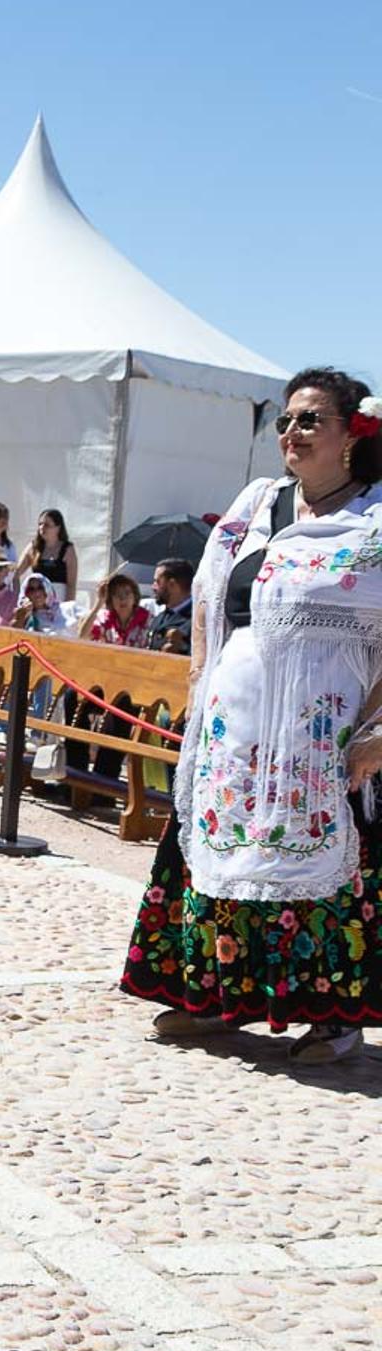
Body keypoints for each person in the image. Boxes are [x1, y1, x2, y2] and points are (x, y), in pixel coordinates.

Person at [122, 367, 382, 1065]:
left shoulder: (376, 521)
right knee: (221, 854)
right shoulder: (256, 504)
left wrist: (378, 732)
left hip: (324, 734)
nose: (291, 434)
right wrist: (200, 698)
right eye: (285, 421)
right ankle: (213, 997)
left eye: (309, 421)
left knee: (324, 866)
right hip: (234, 728)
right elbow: (209, 604)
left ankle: (334, 1016)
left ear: (353, 433)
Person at [16, 507, 78, 601]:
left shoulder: (67, 549)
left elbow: (71, 584)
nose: (42, 528)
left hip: (58, 600)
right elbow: (16, 572)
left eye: (47, 525)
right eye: (40, 524)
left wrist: (68, 606)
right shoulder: (34, 547)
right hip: (37, 601)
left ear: (58, 528)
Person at [85, 572, 151, 647]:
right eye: (116, 594)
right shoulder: (104, 619)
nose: (122, 598)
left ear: (135, 597)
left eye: (127, 593)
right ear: (110, 599)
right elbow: (82, 636)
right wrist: (99, 602)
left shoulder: (147, 619)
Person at [148, 556, 195, 653]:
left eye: (157, 582)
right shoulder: (160, 618)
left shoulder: (197, 621)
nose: (153, 587)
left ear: (172, 584)